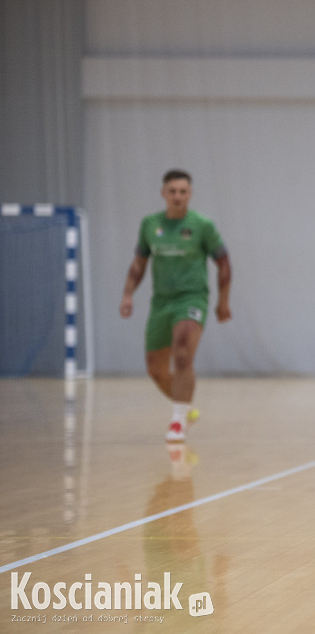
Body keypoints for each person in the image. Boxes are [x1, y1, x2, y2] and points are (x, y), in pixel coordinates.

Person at [120, 169, 232, 442]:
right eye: (173, 191)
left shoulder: (202, 225)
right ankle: (187, 409)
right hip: (161, 302)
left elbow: (224, 263)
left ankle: (177, 421)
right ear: (163, 194)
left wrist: (223, 302)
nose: (178, 197)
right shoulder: (150, 224)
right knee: (155, 369)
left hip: (192, 298)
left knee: (182, 353)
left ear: (190, 194)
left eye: (183, 192)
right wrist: (127, 294)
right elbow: (138, 264)